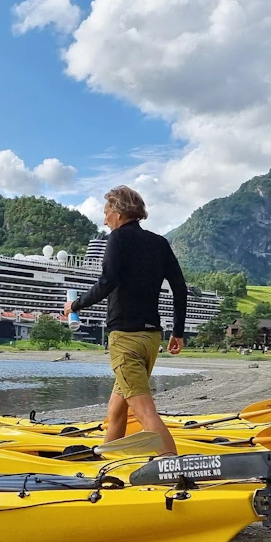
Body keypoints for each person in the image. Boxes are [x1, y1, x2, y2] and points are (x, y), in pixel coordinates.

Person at [63, 185, 187, 454]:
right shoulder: (160, 242)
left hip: (125, 338)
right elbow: (180, 287)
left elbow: (107, 282)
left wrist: (75, 304)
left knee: (145, 412)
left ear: (118, 212)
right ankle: (108, 459)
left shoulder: (117, 239)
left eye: (106, 211)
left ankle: (174, 469)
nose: (105, 218)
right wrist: (178, 331)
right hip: (152, 337)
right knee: (117, 409)